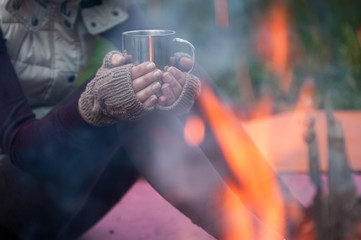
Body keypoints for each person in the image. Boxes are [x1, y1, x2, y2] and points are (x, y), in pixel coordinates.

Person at [0, 0, 286, 239]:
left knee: (162, 74)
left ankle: (285, 215)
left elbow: (176, 62)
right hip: (11, 200)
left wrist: (181, 89)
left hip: (59, 213)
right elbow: (20, 146)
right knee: (126, 101)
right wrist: (94, 104)